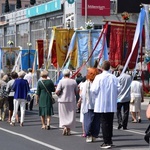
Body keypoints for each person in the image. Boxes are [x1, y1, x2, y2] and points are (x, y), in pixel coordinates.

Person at [90, 61, 119, 149]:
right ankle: (109, 140)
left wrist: (96, 98)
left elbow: (93, 90)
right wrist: (113, 95)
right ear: (109, 67)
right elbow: (118, 89)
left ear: (102, 68)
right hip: (111, 103)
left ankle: (106, 142)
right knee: (109, 122)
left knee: (104, 122)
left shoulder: (99, 77)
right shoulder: (113, 77)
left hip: (102, 103)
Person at [55, 69, 78, 135]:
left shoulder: (61, 81)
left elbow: (57, 91)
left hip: (62, 100)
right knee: (71, 115)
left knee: (63, 115)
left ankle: (64, 127)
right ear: (69, 74)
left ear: (63, 74)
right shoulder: (73, 81)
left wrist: (58, 93)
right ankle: (69, 129)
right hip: (71, 100)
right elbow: (76, 91)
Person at [81, 68, 100, 143]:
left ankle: (89, 135)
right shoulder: (97, 83)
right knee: (96, 121)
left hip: (89, 105)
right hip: (96, 105)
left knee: (88, 121)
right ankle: (93, 135)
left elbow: (82, 95)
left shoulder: (86, 83)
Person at [117, 65, 132, 130]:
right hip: (127, 96)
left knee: (118, 110)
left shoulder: (118, 78)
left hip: (119, 97)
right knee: (126, 111)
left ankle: (120, 122)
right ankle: (124, 125)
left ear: (120, 71)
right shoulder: (129, 77)